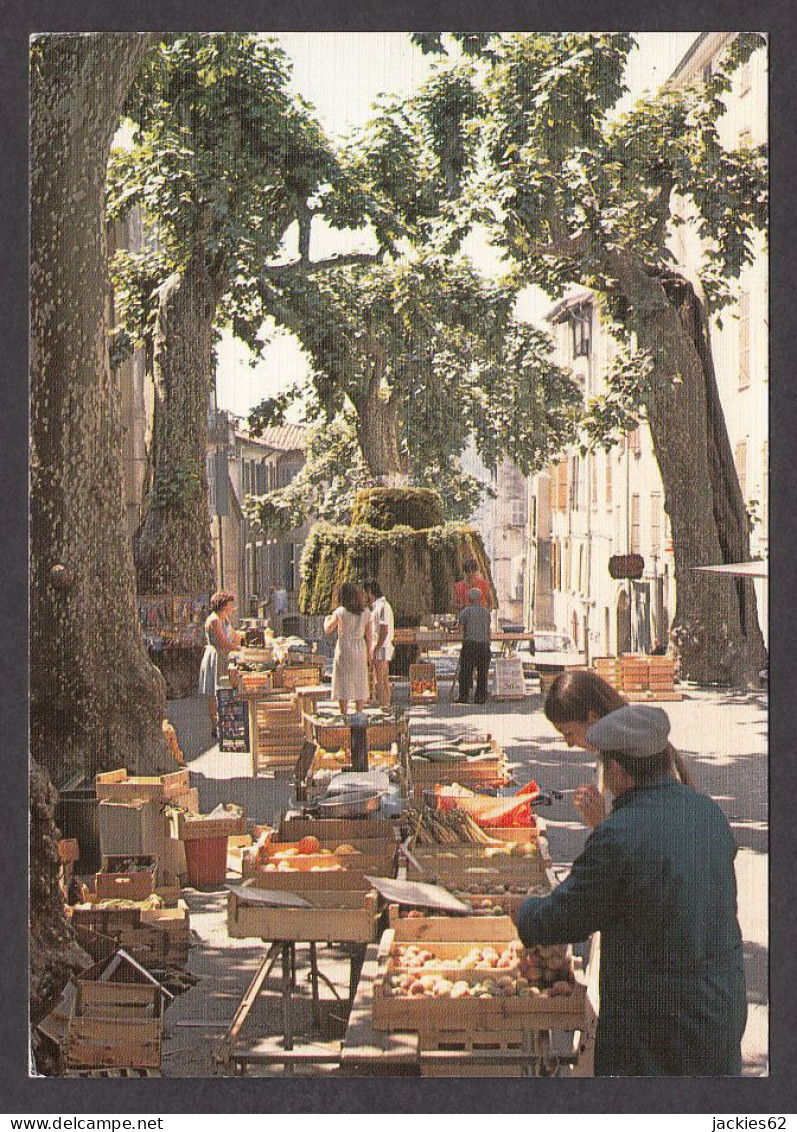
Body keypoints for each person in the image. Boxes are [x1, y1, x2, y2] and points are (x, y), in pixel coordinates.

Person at [516, 705, 746, 1076]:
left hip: (655, 1023)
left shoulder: (620, 833)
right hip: (718, 1007)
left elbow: (569, 917)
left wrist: (523, 912)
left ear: (619, 772)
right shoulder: (707, 812)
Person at [544, 669, 694, 827]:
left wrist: (600, 826)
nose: (569, 743)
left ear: (593, 717)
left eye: (568, 733)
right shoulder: (621, 753)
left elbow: (642, 841)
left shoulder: (637, 762)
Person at [198, 590, 244, 737]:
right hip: (215, 656)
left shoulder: (225, 619)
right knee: (214, 691)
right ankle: (216, 725)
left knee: (226, 689)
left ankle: (226, 723)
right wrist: (241, 649)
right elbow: (223, 642)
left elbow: (234, 636)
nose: (232, 607)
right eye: (230, 604)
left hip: (224, 656)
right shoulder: (214, 620)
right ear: (223, 605)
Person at [324, 582, 373, 716]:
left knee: (343, 680)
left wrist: (327, 619)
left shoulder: (340, 612)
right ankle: (359, 712)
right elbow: (369, 636)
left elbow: (328, 629)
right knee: (360, 679)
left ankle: (344, 713)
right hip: (360, 647)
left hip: (345, 647)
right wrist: (370, 653)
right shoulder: (366, 612)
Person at [456, 587, 491, 704]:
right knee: (482, 672)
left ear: (470, 599)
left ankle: (464, 696)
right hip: (484, 645)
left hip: (470, 644)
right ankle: (480, 697)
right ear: (480, 599)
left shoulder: (466, 611)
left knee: (466, 671)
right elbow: (488, 630)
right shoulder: (486, 612)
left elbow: (460, 630)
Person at [363, 580, 395, 710]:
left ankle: (384, 706)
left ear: (370, 592)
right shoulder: (377, 607)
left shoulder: (382, 606)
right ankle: (385, 704)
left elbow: (384, 629)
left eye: (365, 594)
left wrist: (376, 649)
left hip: (382, 647)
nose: (364, 597)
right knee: (382, 679)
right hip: (379, 647)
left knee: (380, 681)